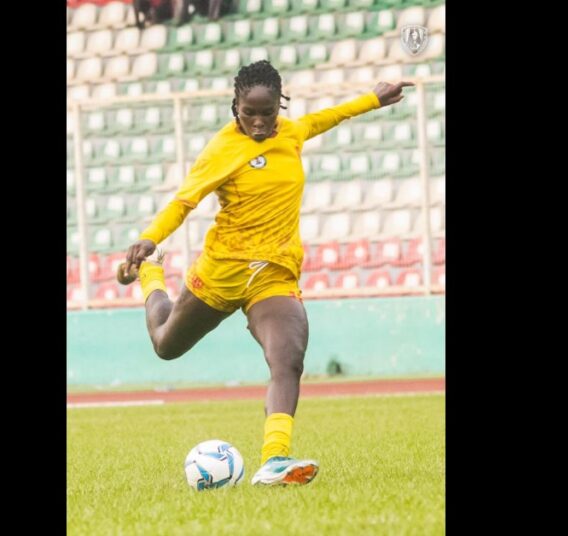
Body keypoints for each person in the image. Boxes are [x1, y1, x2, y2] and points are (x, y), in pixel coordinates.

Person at [118, 60, 411, 485]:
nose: (258, 123)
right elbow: (184, 201)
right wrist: (149, 239)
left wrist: (373, 99)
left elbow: (326, 117)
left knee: (288, 358)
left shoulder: (291, 133)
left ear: (280, 105)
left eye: (267, 113)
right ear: (234, 106)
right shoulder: (222, 149)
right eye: (248, 113)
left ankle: (275, 460)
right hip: (221, 273)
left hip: (273, 275)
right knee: (165, 345)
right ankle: (152, 276)